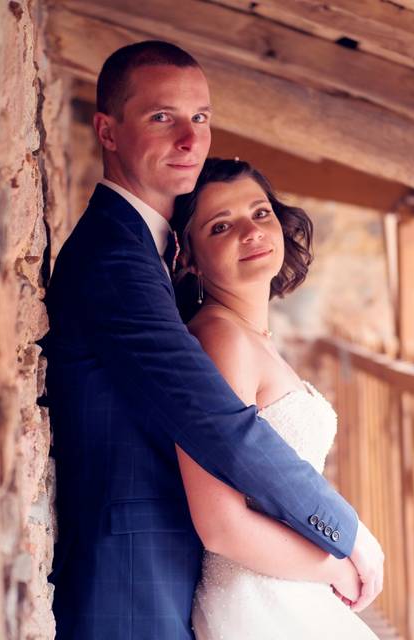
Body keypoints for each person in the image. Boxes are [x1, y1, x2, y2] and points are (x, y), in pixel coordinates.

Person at [41, 40, 383, 639]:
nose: (189, 139)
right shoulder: (114, 258)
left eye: (199, 118)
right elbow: (219, 424)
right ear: (107, 130)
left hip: (173, 570)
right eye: (161, 117)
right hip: (128, 574)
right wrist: (344, 533)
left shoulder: (147, 248)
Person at [170, 157, 379, 638]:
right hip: (258, 599)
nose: (251, 231)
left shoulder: (252, 336)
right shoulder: (220, 341)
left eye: (260, 213)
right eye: (221, 225)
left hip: (288, 588)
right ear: (189, 256)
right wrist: (334, 565)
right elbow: (220, 526)